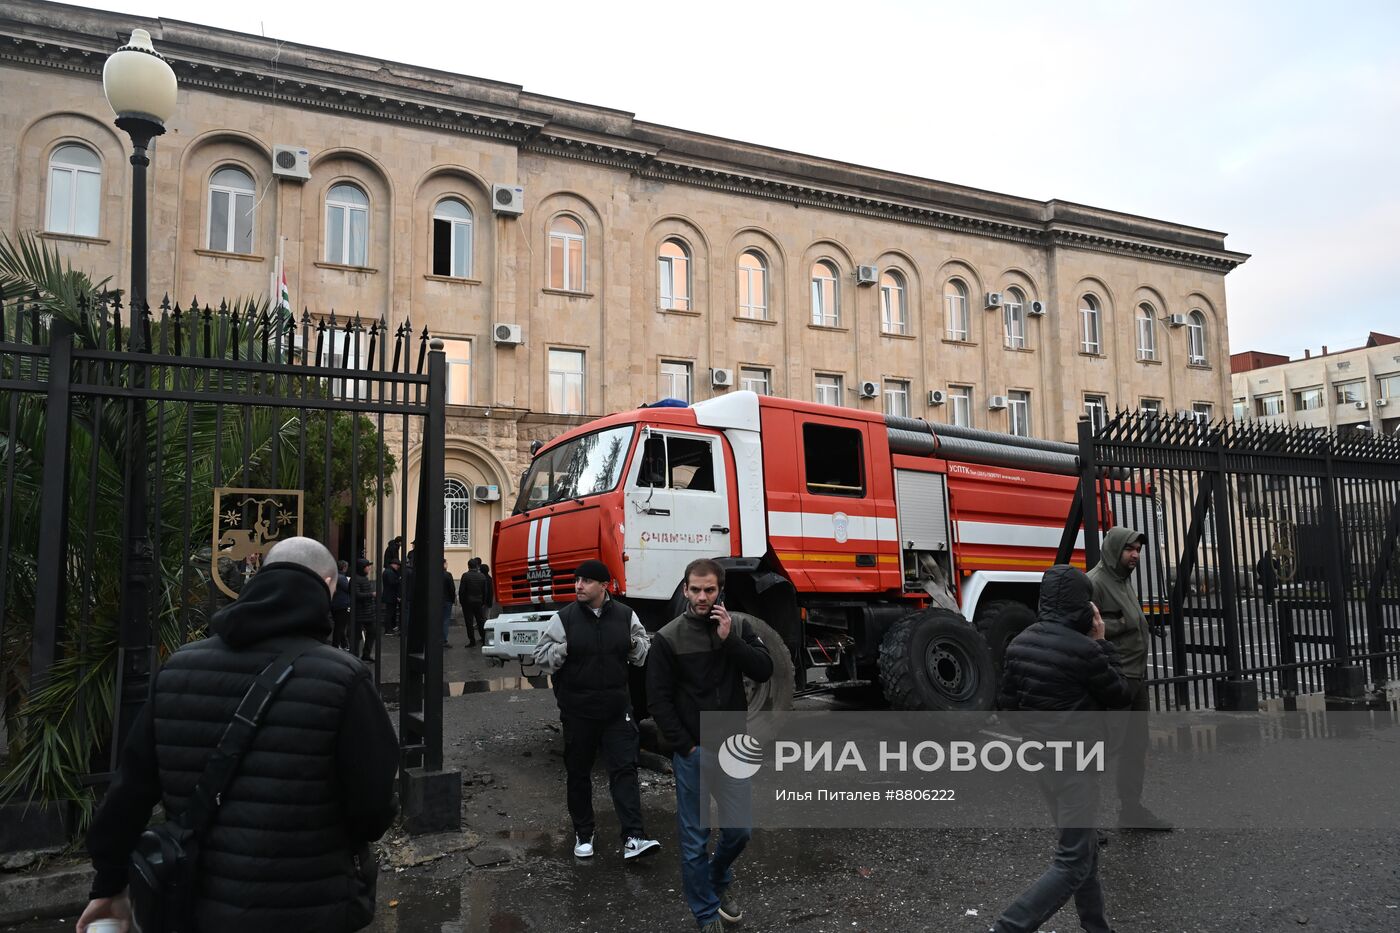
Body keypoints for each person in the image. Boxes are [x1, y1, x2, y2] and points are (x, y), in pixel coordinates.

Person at [76, 536, 398, 933]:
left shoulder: (178, 668)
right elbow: (373, 805)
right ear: (328, 585)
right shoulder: (344, 678)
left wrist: (107, 884)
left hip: (196, 902)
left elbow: (130, 790)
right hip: (310, 903)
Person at [993, 564, 1135, 933]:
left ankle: (1097, 927)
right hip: (1076, 763)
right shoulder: (1086, 650)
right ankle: (1010, 926)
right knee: (1072, 860)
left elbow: (1007, 707)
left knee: (1084, 850)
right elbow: (1120, 695)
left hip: (1041, 761)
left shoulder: (1019, 643)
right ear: (1084, 605)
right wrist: (1103, 642)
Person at [647, 558, 773, 933]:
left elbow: (764, 670)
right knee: (693, 841)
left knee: (740, 832)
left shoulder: (739, 627)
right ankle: (705, 915)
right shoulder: (668, 638)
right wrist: (685, 746)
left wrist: (729, 639)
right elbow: (658, 700)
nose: (702, 597)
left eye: (710, 590)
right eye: (696, 589)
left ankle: (718, 878)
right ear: (685, 590)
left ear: (720, 591)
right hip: (694, 752)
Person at [532, 559, 660, 862]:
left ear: (604, 586)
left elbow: (643, 651)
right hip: (578, 712)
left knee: (624, 771)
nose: (579, 586)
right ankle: (584, 833)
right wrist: (564, 648)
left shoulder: (626, 616)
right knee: (578, 774)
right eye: (577, 580)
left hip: (617, 711)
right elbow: (540, 657)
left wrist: (632, 644)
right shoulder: (564, 619)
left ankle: (633, 837)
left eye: (587, 581)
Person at [1087, 526, 1172, 831]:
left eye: (1138, 549)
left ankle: (1131, 810)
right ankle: (1083, 825)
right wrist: (1121, 624)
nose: (1135, 555)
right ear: (1113, 549)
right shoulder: (1095, 582)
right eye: (1129, 549)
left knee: (1136, 745)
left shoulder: (1123, 580)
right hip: (1115, 678)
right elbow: (1086, 629)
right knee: (1104, 748)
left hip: (1136, 677)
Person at [351, 557, 378, 661]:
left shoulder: (365, 578)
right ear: (362, 567)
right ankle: (355, 656)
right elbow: (356, 594)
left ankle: (366, 654)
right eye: (367, 567)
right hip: (359, 611)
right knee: (356, 636)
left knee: (373, 632)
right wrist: (371, 594)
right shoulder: (356, 579)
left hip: (368, 611)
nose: (369, 569)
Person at [458, 558, 489, 647]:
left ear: (468, 566)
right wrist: (483, 602)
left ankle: (472, 640)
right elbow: (485, 591)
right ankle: (483, 638)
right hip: (478, 602)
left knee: (469, 622)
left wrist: (462, 602)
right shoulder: (482, 576)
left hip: (467, 603)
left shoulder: (465, 576)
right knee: (480, 621)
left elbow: (462, 591)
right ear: (477, 566)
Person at [331, 559, 353, 650]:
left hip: (335, 604)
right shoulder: (341, 578)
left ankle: (343, 644)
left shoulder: (335, 576)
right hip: (342, 604)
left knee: (339, 625)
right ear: (344, 567)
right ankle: (336, 644)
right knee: (340, 626)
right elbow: (349, 589)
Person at [381, 557, 402, 635]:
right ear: (392, 564)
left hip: (389, 595)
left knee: (390, 613)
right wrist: (399, 580)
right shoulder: (390, 572)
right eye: (397, 565)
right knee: (389, 613)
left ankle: (390, 628)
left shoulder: (389, 571)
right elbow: (392, 583)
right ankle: (388, 630)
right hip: (390, 596)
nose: (398, 566)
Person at [441, 559, 457, 648]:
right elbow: (452, 588)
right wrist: (453, 599)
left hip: (436, 601)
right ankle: (444, 640)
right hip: (447, 600)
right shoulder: (448, 575)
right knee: (445, 620)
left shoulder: (433, 574)